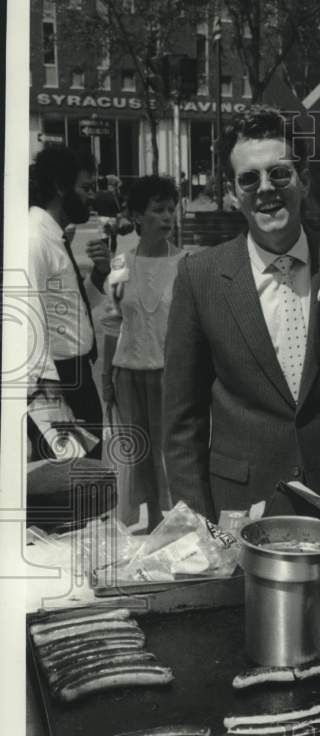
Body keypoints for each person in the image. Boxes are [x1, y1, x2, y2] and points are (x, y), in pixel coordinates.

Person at [163, 105, 320, 521]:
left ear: (304, 181)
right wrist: (196, 526)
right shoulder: (199, 277)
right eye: (249, 179)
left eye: (279, 173)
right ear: (234, 193)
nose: (266, 188)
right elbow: (183, 422)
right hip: (242, 509)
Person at [99, 176, 182, 531]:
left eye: (170, 210)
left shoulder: (186, 262)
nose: (167, 218)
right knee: (136, 454)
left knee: (171, 454)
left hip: (168, 373)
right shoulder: (121, 263)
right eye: (157, 210)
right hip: (128, 373)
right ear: (137, 215)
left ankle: (171, 524)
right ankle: (148, 523)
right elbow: (111, 322)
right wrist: (105, 377)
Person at [27, 146, 102, 458]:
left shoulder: (54, 235)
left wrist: (99, 275)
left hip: (77, 374)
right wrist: (48, 388)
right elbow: (26, 311)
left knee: (88, 481)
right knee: (69, 485)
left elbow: (72, 310)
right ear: (60, 186)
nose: (92, 196)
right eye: (86, 188)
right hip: (57, 380)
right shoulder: (34, 237)